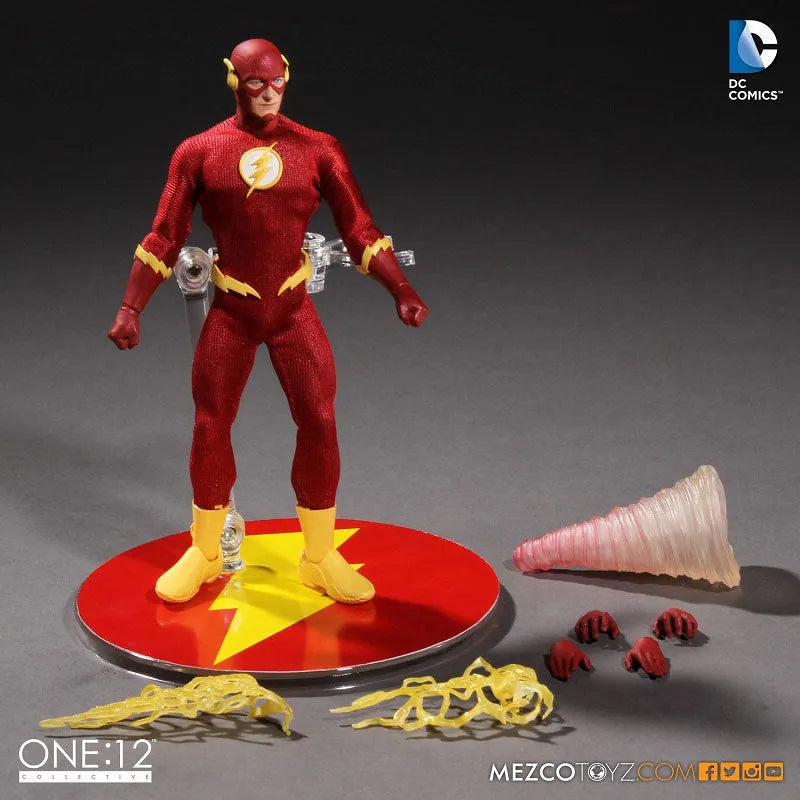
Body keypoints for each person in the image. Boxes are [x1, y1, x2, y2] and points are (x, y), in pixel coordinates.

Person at [108, 38, 428, 605]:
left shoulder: (319, 149)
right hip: (232, 310)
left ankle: (319, 555)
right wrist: (131, 307)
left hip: (291, 309)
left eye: (278, 80)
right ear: (233, 80)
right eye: (256, 82)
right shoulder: (199, 151)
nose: (269, 92)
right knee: (210, 424)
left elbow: (359, 227)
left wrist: (399, 287)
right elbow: (165, 235)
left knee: (320, 419)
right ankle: (206, 551)